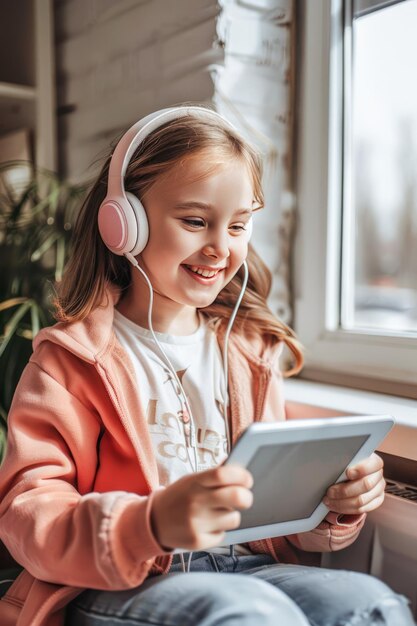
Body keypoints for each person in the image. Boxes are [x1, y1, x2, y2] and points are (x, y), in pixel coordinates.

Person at [0, 105, 414, 626]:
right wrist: (148, 524)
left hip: (248, 568)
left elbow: (272, 524)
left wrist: (331, 504)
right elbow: (26, 515)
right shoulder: (70, 360)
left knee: (371, 604)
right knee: (248, 612)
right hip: (120, 581)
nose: (221, 247)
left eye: (238, 225)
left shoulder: (249, 354)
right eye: (196, 221)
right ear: (122, 223)